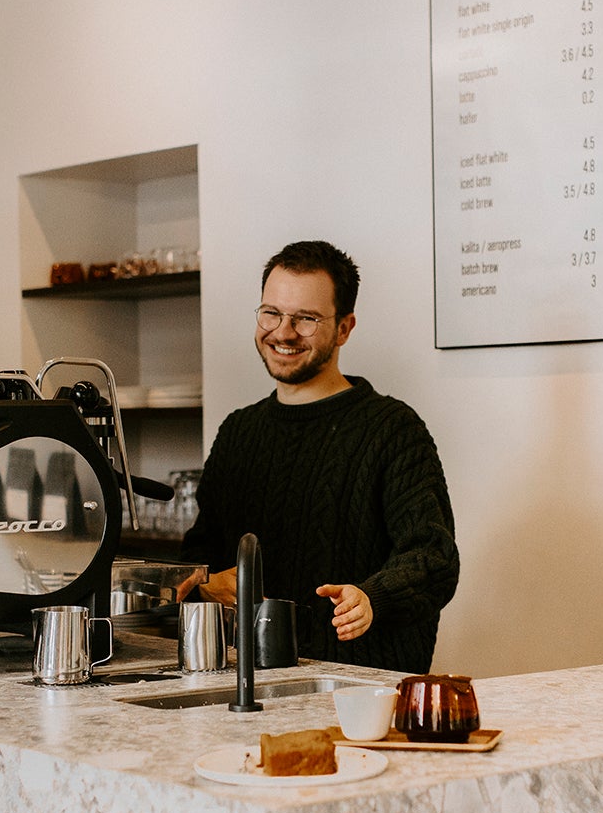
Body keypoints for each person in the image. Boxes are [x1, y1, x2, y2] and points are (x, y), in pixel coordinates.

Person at [180, 241, 459, 673]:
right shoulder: (239, 431)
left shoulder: (392, 429)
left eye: (306, 319)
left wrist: (372, 596)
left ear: (344, 328)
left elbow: (434, 557)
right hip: (243, 682)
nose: (283, 332)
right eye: (271, 313)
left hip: (358, 690)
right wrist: (206, 584)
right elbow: (200, 551)